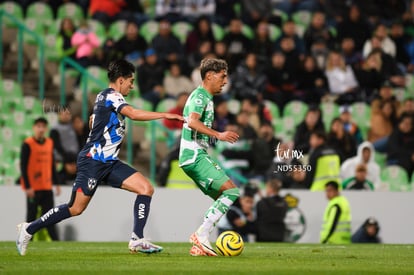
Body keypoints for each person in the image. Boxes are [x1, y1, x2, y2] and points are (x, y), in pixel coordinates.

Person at [16, 59, 184, 256]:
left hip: (110, 162)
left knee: (146, 189)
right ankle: (28, 229)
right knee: (75, 208)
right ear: (120, 80)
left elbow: (97, 120)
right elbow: (133, 114)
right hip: (93, 161)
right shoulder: (112, 96)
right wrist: (165, 115)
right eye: (130, 81)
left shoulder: (104, 97)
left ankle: (137, 239)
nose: (132, 85)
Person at [178, 58, 240, 257]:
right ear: (209, 76)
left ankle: (199, 246)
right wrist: (219, 134)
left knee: (222, 198)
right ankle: (201, 234)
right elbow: (193, 122)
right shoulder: (200, 96)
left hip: (196, 155)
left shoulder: (206, 97)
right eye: (222, 76)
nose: (225, 81)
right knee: (231, 192)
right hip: (194, 155)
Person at [19, 117, 61, 241]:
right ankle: (26, 241)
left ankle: (56, 242)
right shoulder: (27, 144)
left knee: (50, 217)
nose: (41, 129)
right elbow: (23, 166)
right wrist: (27, 186)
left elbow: (52, 164)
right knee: (31, 217)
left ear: (46, 128)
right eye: (38, 126)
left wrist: (57, 183)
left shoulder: (49, 143)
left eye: (43, 127)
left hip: (47, 187)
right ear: (34, 128)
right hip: (33, 187)